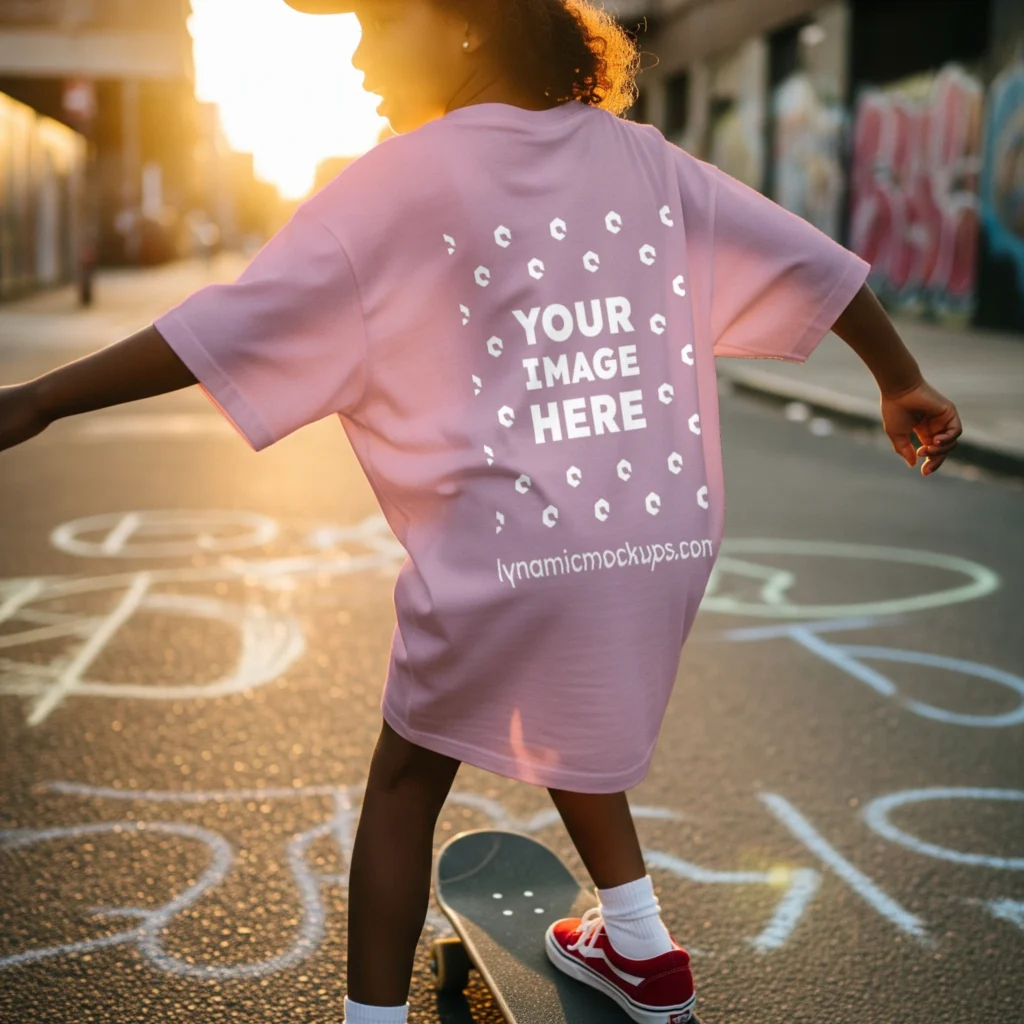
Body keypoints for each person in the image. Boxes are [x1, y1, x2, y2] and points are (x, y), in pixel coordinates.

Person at [0, 1, 963, 1021]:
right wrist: (900, 380)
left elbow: (227, 326)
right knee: (562, 697)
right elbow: (811, 262)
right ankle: (638, 947)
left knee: (405, 783)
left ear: (463, 27)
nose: (360, 57)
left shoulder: (396, 179)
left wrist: (43, 396)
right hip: (657, 535)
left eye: (375, 27)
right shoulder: (645, 160)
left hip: (510, 551)